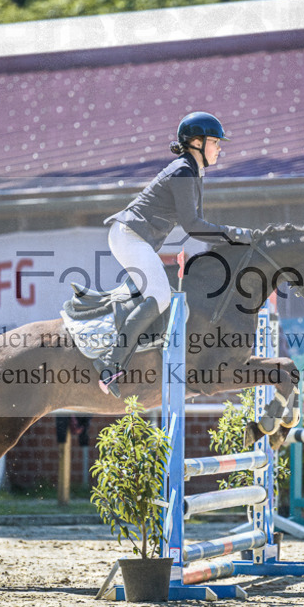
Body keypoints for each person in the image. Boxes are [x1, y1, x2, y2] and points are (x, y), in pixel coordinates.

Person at [97, 111, 253, 396]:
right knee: (160, 296)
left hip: (133, 237)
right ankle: (110, 365)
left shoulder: (192, 172)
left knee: (164, 300)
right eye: (215, 142)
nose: (220, 148)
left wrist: (233, 242)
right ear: (196, 142)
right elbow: (193, 226)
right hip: (129, 236)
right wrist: (237, 233)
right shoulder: (183, 171)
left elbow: (202, 229)